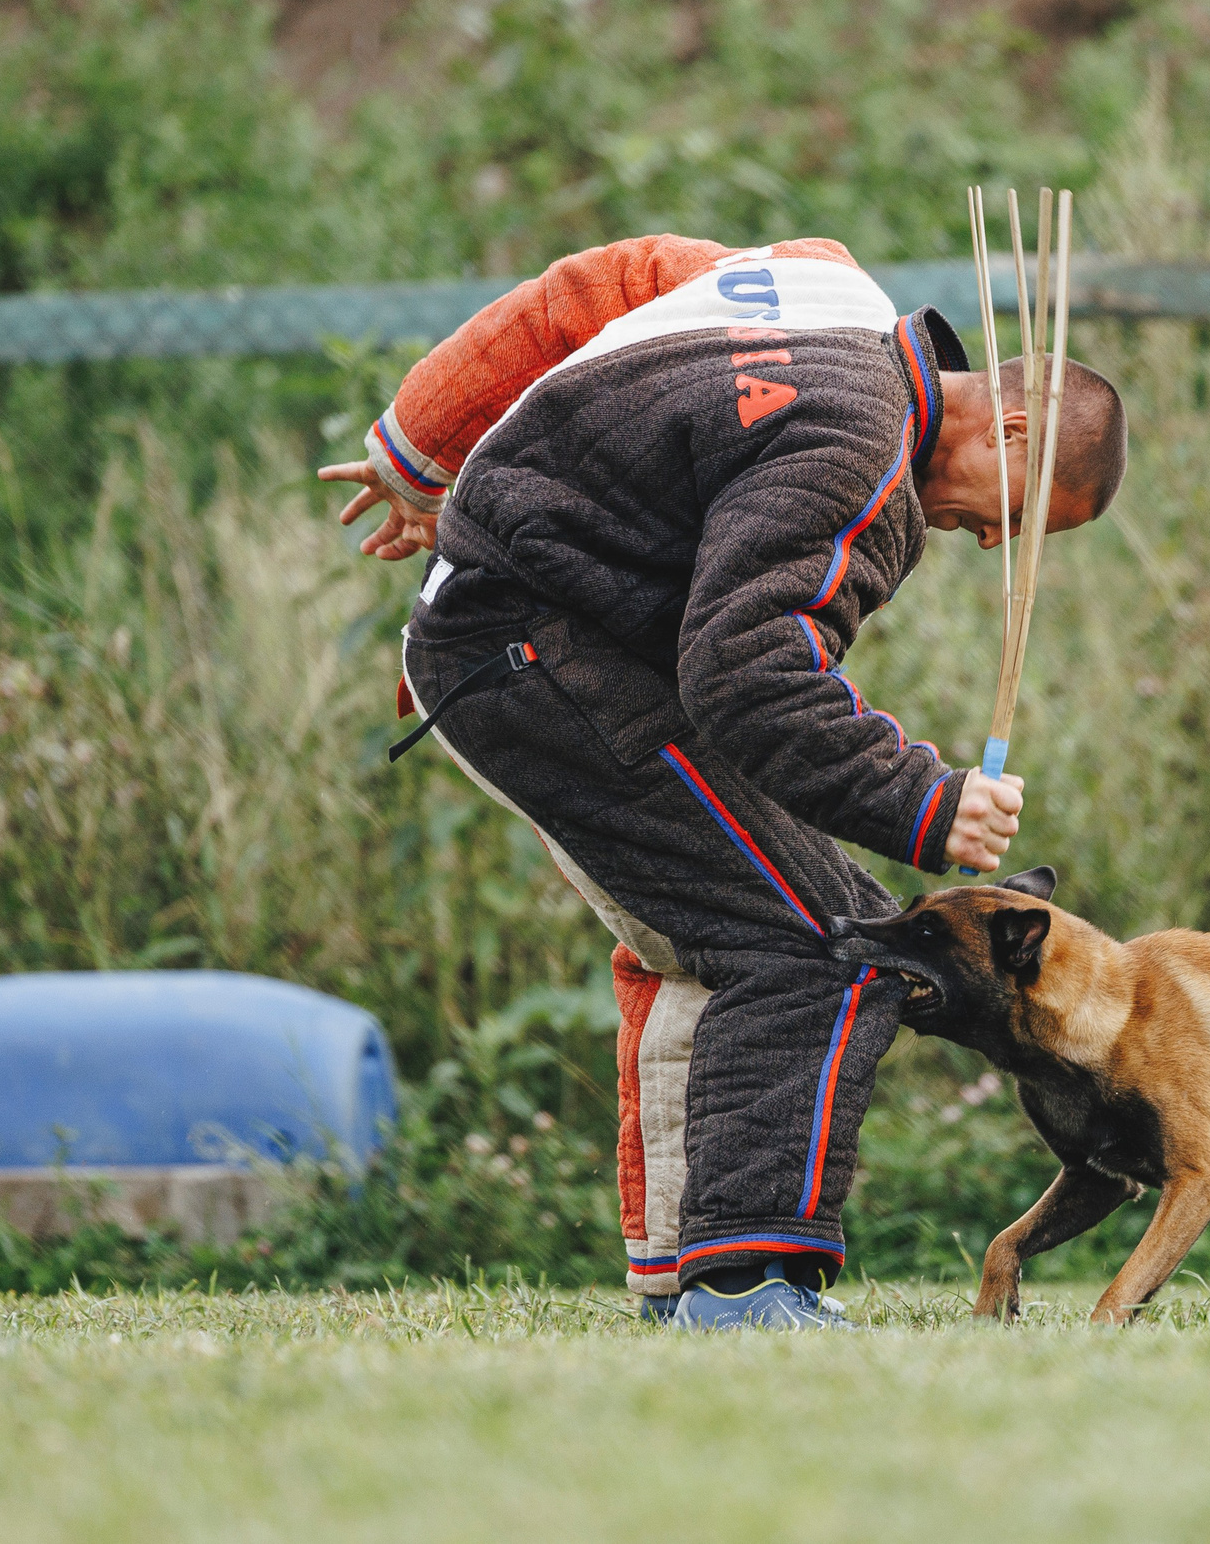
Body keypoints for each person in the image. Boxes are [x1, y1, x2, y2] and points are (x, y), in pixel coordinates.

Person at [319, 233, 1125, 1329]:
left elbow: (586, 290)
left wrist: (419, 445)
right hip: (529, 653)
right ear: (1014, 430)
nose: (994, 545)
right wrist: (927, 802)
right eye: (1019, 519)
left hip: (503, 628)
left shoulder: (821, 279)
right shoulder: (859, 457)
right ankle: (743, 1288)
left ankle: (682, 1281)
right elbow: (747, 672)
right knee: (827, 940)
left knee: (724, 926)